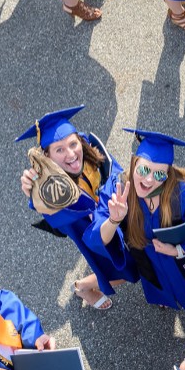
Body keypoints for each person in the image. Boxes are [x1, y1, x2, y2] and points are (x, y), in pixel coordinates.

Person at [87, 129, 185, 314]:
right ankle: (167, 298)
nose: (149, 179)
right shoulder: (119, 189)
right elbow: (96, 236)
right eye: (143, 169)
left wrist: (178, 250)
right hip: (152, 263)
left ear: (168, 174)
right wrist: (114, 219)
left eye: (159, 174)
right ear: (134, 162)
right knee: (163, 289)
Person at [16, 105, 137, 310]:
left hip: (116, 213)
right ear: (48, 156)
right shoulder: (50, 189)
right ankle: (81, 287)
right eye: (59, 149)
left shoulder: (90, 151)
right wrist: (32, 191)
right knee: (122, 272)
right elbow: (48, 210)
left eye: (73, 144)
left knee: (137, 257)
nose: (71, 154)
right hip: (90, 231)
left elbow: (115, 171)